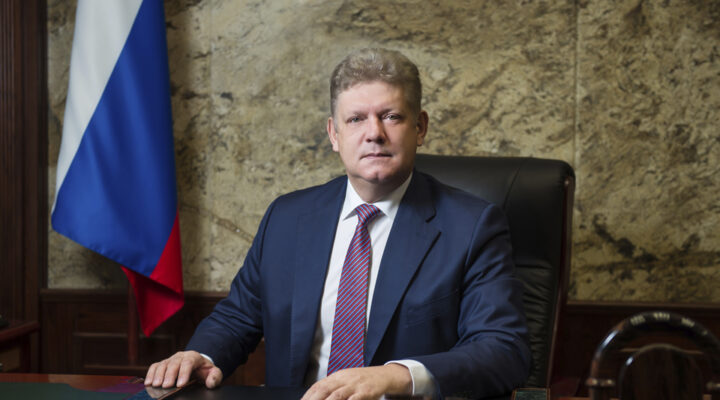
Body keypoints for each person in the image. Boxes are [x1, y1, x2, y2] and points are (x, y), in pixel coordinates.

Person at [145, 48, 530, 399]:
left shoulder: (472, 227)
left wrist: (395, 376)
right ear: (334, 134)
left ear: (420, 127)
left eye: (391, 116)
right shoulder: (288, 217)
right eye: (356, 119)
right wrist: (201, 354)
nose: (374, 133)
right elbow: (239, 317)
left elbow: (503, 349)